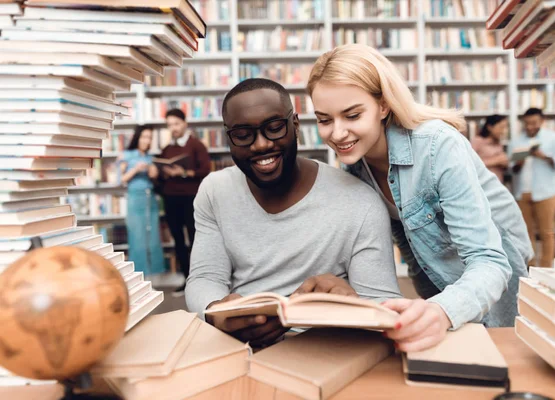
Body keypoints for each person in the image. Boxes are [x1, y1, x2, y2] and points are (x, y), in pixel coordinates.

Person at [307, 43, 533, 352]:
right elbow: (417, 256)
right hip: (445, 279)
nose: (337, 133)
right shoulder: (354, 173)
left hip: (497, 267)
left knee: (506, 354)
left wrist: (441, 311)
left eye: (352, 115)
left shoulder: (438, 145)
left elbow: (490, 261)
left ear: (383, 105)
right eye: (324, 120)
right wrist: (427, 311)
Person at [185, 78, 402, 347]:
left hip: (325, 352)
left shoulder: (361, 201)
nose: (261, 145)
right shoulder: (214, 191)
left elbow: (384, 307)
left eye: (274, 128)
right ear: (228, 137)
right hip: (238, 350)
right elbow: (206, 277)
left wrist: (353, 305)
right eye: (243, 135)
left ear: (295, 126)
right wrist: (214, 312)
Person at [156, 108, 211, 296]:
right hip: (171, 198)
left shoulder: (196, 145)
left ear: (185, 123)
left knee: (196, 239)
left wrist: (184, 173)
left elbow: (206, 170)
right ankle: (186, 279)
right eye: (170, 125)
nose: (174, 128)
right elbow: (161, 177)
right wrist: (162, 172)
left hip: (191, 198)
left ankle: (201, 280)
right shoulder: (167, 149)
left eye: (176, 124)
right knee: (178, 240)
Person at [510, 108, 555, 268]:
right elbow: (511, 169)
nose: (530, 126)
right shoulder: (516, 141)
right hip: (521, 192)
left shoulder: (554, 139)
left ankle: (546, 269)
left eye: (534, 123)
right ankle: (529, 270)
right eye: (527, 123)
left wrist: (544, 157)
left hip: (546, 192)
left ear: (542, 121)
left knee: (547, 232)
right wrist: (519, 162)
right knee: (525, 234)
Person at [119, 125, 165, 277]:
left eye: (150, 138)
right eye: (144, 137)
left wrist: (154, 173)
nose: (147, 140)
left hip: (150, 197)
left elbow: (155, 180)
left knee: (153, 236)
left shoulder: (150, 157)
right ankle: (139, 273)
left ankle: (154, 273)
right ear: (137, 137)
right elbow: (121, 180)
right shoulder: (127, 155)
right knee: (137, 235)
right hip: (135, 197)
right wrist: (136, 170)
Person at [471, 114, 509, 183]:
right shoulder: (477, 141)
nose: (503, 131)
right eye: (501, 127)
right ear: (490, 127)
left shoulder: (499, 143)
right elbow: (471, 164)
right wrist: (496, 160)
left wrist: (504, 164)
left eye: (505, 128)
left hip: (498, 184)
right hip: (483, 185)